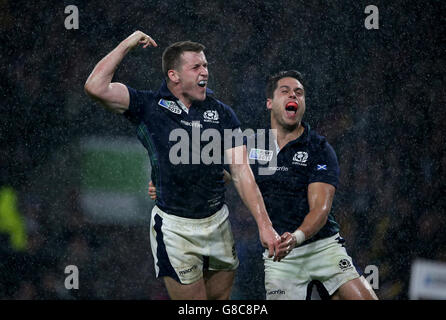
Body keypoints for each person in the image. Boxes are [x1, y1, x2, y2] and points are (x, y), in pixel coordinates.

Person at [84, 31, 281, 300]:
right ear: (174, 75)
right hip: (176, 229)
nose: (205, 72)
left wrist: (264, 225)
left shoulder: (222, 113)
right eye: (196, 66)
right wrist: (128, 43)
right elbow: (95, 86)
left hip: (218, 222)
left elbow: (240, 171)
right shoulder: (148, 106)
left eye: (206, 66)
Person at [150, 70, 378, 300]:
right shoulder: (250, 145)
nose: (294, 96)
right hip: (279, 255)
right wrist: (168, 182)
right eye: (285, 91)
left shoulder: (319, 148)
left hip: (323, 247)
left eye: (299, 93)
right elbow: (210, 171)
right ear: (269, 103)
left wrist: (296, 237)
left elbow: (320, 209)